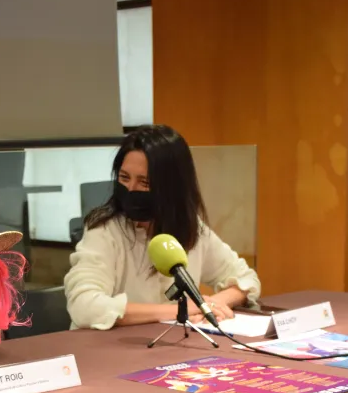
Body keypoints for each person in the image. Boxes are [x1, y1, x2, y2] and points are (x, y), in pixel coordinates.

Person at [64, 125, 260, 330]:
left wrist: (213, 304)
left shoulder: (190, 227)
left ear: (172, 188)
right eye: (124, 178)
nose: (131, 189)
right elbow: (83, 305)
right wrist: (182, 310)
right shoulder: (104, 229)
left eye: (144, 182)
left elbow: (246, 279)